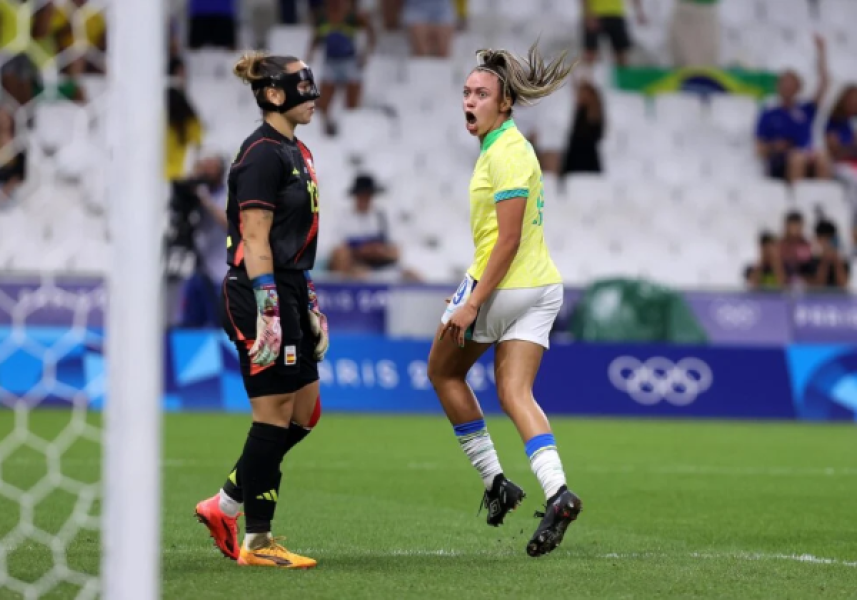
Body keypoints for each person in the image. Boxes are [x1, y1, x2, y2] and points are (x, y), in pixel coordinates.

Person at [427, 42, 582, 558]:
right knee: (515, 393)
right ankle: (558, 494)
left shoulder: (508, 152)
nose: (469, 101)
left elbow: (508, 240)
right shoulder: (503, 146)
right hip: (541, 287)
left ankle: (495, 481)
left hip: (505, 284)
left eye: (481, 93)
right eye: (466, 92)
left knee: (443, 372)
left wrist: (473, 303)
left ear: (506, 102)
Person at [193, 51, 329, 570]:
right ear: (274, 94)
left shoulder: (299, 152)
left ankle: (222, 505)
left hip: (289, 287)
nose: (313, 96)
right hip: (258, 292)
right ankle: (257, 539)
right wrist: (270, 308)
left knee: (305, 413)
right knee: (272, 416)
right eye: (303, 86)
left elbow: (296, 237)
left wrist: (308, 301)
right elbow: (253, 236)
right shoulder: (261, 155)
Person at [755, 35, 830, 184]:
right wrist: (774, 147)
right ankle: (797, 200)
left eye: (791, 83)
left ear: (799, 87)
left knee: (822, 157)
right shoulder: (769, 114)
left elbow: (824, 83)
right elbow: (759, 147)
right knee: (797, 158)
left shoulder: (805, 110)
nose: (787, 86)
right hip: (780, 162)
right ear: (778, 86)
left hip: (806, 158)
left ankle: (823, 198)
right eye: (784, 82)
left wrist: (821, 53)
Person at [307, 0, 376, 136]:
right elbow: (316, 38)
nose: (335, 5)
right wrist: (310, 54)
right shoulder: (323, 19)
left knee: (352, 107)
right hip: (331, 64)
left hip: (349, 63)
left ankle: (350, 132)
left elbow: (371, 33)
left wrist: (366, 53)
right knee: (322, 105)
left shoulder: (353, 18)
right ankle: (327, 129)